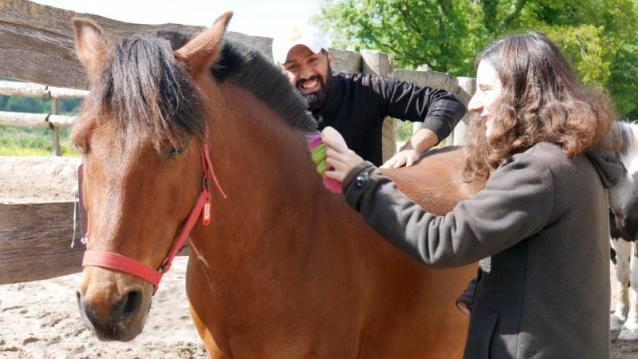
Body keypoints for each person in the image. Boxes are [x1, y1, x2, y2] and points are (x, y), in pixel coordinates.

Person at [321, 31, 620, 357]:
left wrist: (360, 179)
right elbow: (541, 252)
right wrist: (487, 287)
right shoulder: (574, 159)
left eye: (486, 90)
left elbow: (440, 241)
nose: (474, 104)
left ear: (525, 94)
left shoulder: (538, 171)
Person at [272, 25, 466, 168]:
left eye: (313, 60)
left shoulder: (366, 90)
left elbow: (447, 103)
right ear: (280, 71)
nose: (306, 74)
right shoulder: (270, 112)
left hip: (363, 210)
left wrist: (412, 147)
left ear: (329, 58)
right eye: (292, 67)